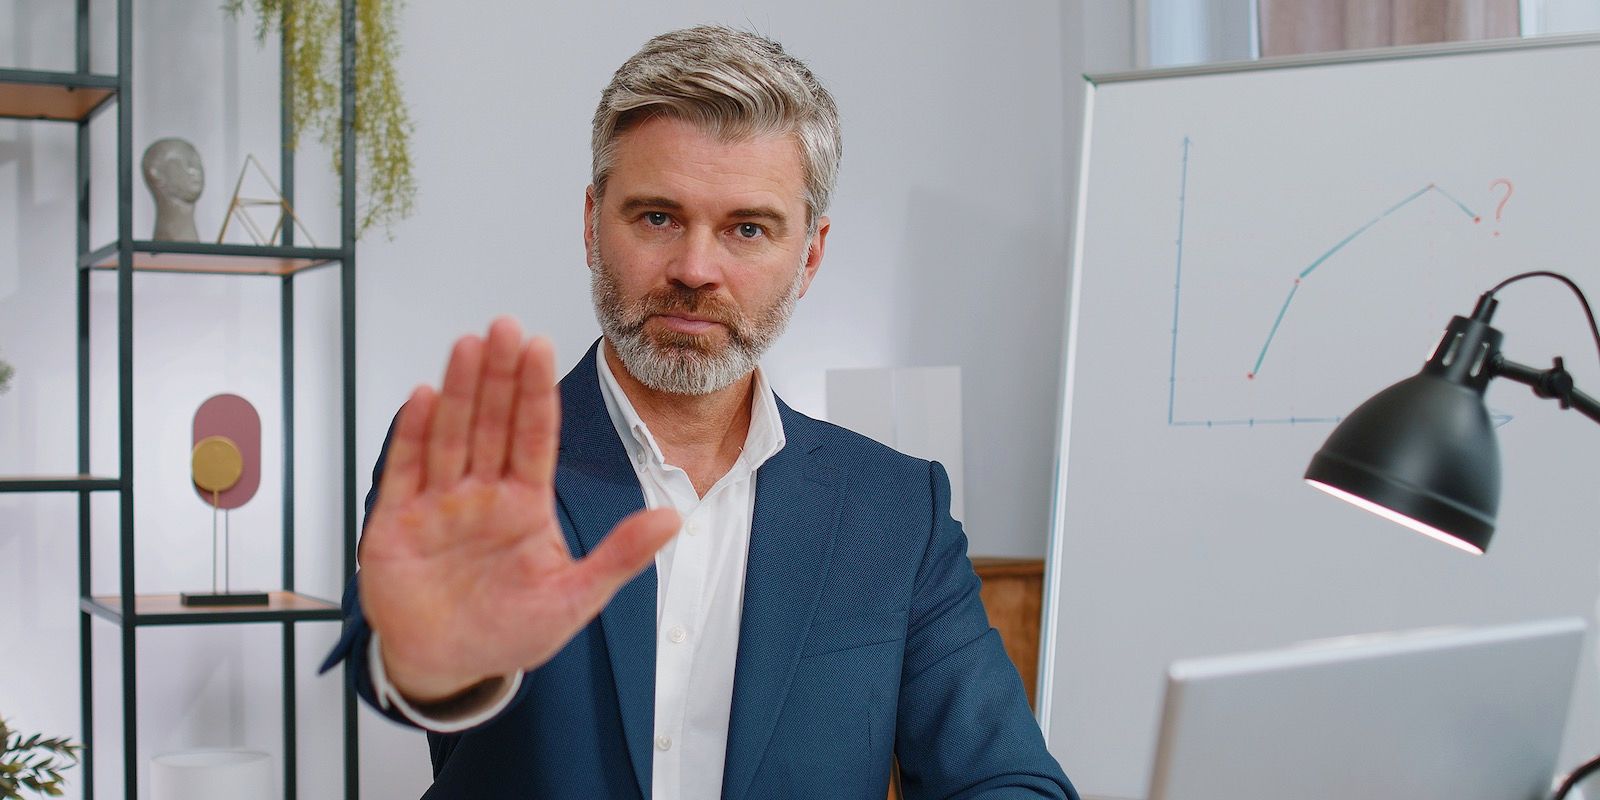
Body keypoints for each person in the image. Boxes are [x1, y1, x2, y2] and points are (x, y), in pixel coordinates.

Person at [322, 25, 1078, 800]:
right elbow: (394, 661)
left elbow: (1007, 779)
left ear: (810, 255)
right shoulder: (475, 463)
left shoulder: (894, 511)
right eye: (656, 217)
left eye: (747, 228)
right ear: (591, 224)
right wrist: (435, 658)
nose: (694, 269)